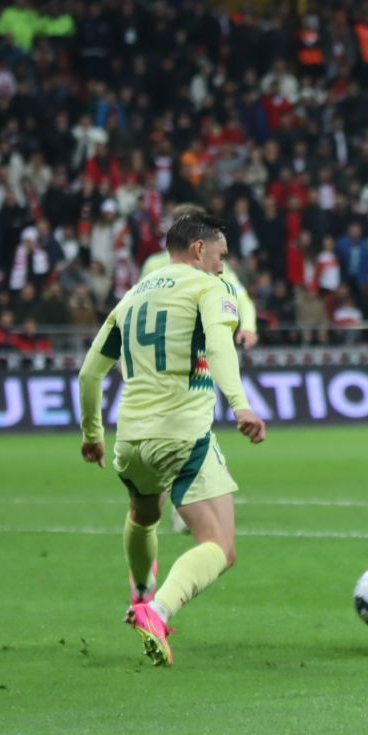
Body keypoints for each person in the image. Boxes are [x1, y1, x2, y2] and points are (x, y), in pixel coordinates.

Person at [77, 214, 267, 667]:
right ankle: (156, 611)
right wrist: (240, 402)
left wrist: (92, 435)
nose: (223, 268)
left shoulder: (131, 297)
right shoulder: (207, 287)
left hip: (130, 440)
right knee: (220, 547)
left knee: (144, 515)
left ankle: (140, 589)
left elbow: (89, 373)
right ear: (199, 249)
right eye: (220, 256)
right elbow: (221, 346)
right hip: (182, 436)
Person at [142, 204, 259, 534]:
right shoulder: (155, 262)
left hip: (188, 359)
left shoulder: (208, 261)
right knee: (177, 435)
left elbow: (240, 296)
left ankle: (162, 516)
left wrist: (246, 326)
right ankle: (165, 514)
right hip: (161, 365)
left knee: (182, 432)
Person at [141, 205, 259, 349]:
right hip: (164, 348)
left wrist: (248, 328)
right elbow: (138, 311)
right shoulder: (154, 265)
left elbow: (241, 298)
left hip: (202, 350)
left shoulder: (215, 264)